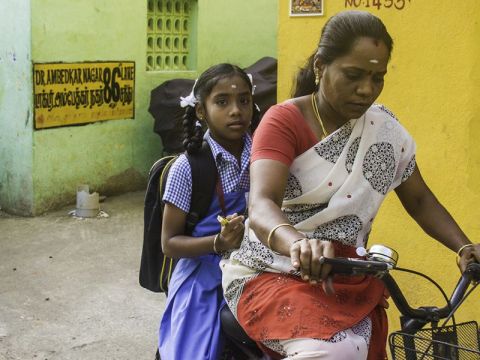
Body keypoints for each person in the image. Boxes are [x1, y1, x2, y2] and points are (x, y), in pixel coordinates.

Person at [220, 10, 480, 360]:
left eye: (378, 77)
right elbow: (262, 203)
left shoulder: (385, 129)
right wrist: (299, 244)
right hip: (273, 272)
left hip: (347, 277)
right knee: (333, 352)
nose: (366, 89)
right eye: (354, 75)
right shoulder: (283, 121)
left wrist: (464, 248)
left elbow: (418, 200)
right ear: (320, 67)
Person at [158, 63, 259, 359]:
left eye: (244, 100)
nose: (236, 110)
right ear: (201, 111)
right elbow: (169, 243)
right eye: (222, 102)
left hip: (256, 270)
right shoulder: (187, 168)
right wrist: (219, 243)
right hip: (203, 280)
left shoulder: (266, 155)